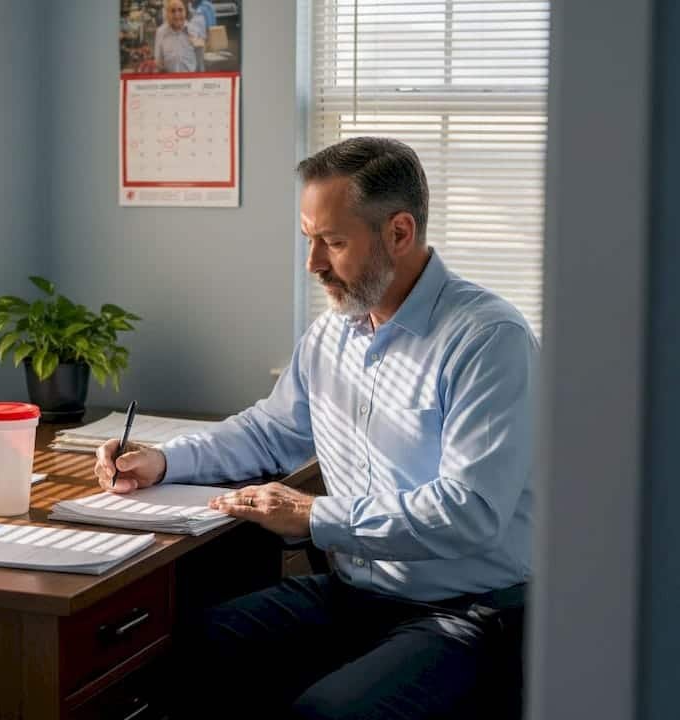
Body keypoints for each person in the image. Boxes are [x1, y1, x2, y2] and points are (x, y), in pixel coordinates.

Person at [94, 136, 538, 719]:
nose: (313, 265)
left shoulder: (488, 340)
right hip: (357, 594)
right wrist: (165, 460)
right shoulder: (333, 334)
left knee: (326, 713)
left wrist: (310, 515)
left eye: (333, 242)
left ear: (399, 233)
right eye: (310, 241)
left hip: (471, 611)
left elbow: (468, 512)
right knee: (193, 650)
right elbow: (269, 431)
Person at [153, 0, 203, 73]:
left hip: (190, 80)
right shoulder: (160, 32)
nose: (177, 14)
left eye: (180, 10)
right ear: (167, 14)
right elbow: (158, 61)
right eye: (173, 11)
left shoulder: (195, 31)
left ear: (185, 12)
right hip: (169, 80)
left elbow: (200, 63)